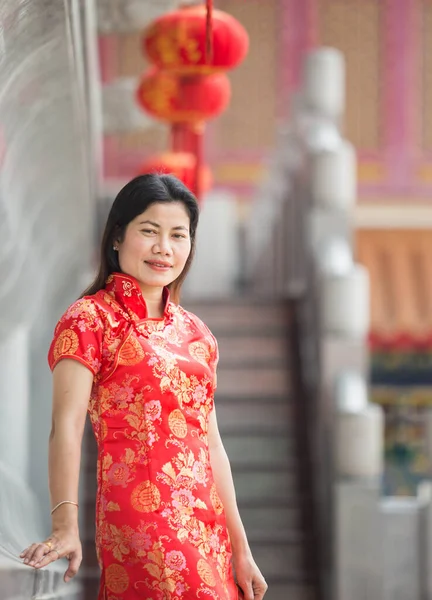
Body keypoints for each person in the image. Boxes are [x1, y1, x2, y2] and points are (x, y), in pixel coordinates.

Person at [20, 174, 268, 600]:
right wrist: (65, 525)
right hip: (142, 521)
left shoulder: (198, 334)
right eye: (149, 232)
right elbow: (66, 425)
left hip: (209, 529)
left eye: (178, 235)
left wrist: (241, 551)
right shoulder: (89, 320)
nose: (164, 248)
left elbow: (211, 446)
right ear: (117, 237)